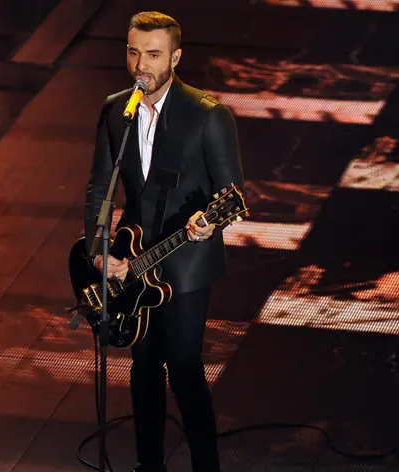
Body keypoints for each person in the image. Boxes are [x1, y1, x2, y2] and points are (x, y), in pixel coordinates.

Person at [83, 11, 245, 472]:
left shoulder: (208, 116)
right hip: (134, 260)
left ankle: (206, 466)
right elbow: (99, 187)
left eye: (153, 55)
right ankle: (148, 464)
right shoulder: (116, 110)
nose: (141, 65)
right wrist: (99, 252)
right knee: (144, 366)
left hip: (186, 264)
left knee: (185, 368)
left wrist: (209, 224)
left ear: (175, 57)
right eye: (133, 52)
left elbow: (232, 192)